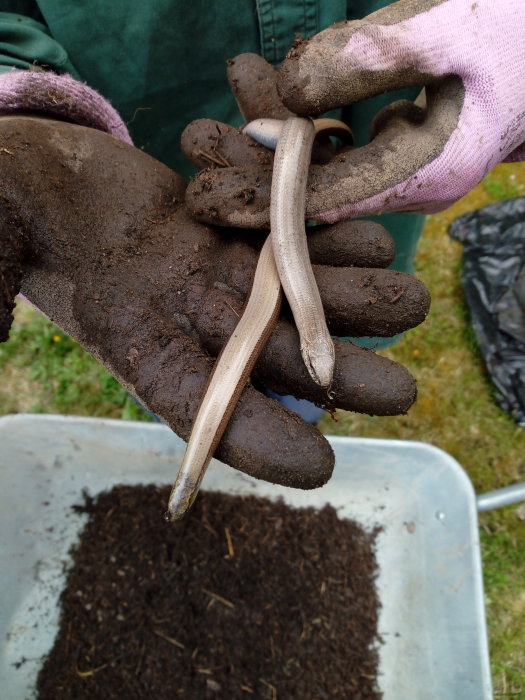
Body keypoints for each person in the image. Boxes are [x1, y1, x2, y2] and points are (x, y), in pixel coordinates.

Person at [0, 0, 522, 488]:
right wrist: (21, 108)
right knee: (176, 338)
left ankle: (303, 399)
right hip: (157, 159)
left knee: (324, 326)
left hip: (359, 134)